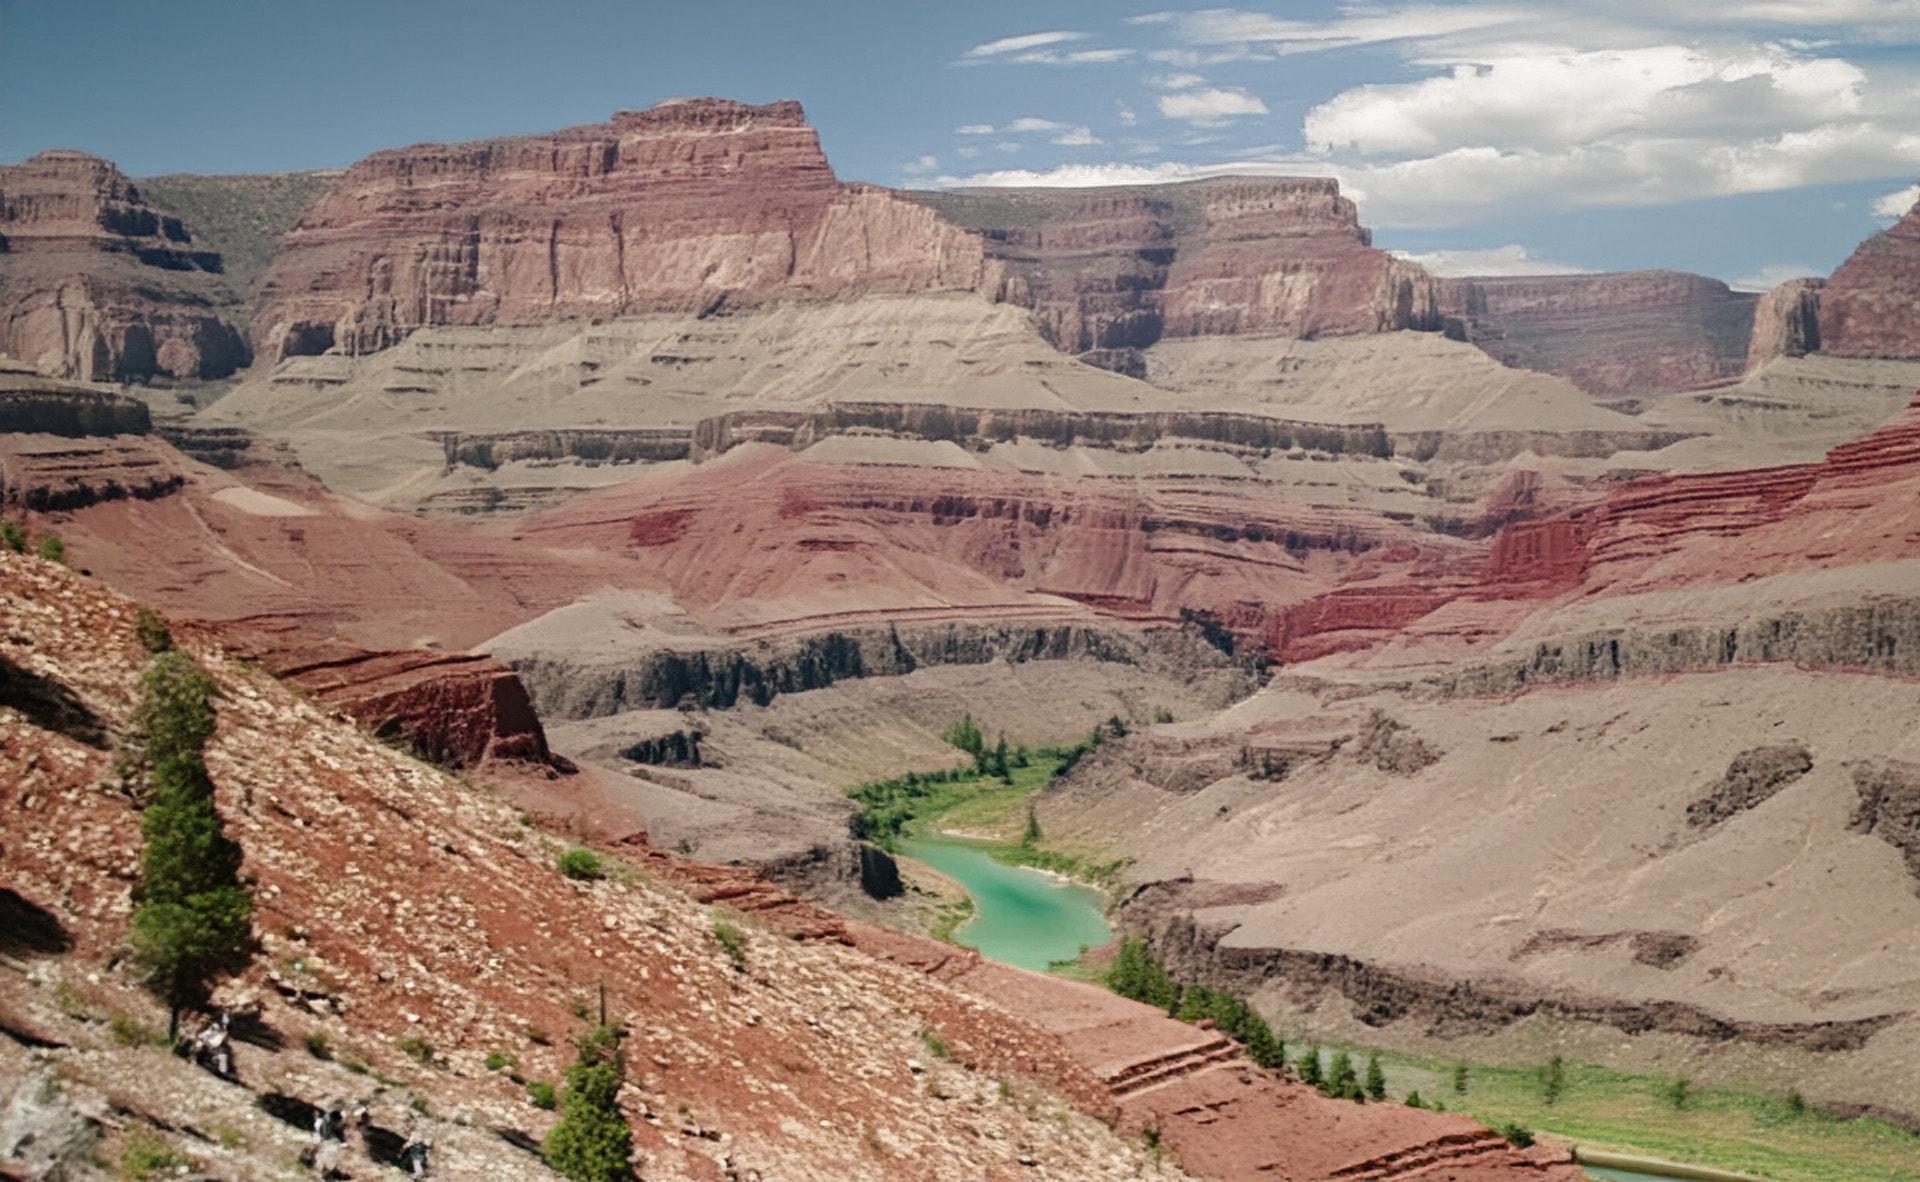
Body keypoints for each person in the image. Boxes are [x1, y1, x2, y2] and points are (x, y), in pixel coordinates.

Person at [191, 1010, 234, 1079]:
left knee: (223, 1056)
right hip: (205, 1045)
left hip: (214, 1048)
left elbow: (220, 1042)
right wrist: (206, 1043)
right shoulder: (214, 1028)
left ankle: (222, 1073)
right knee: (198, 1045)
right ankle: (193, 1058)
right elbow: (202, 1036)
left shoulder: (223, 1032)